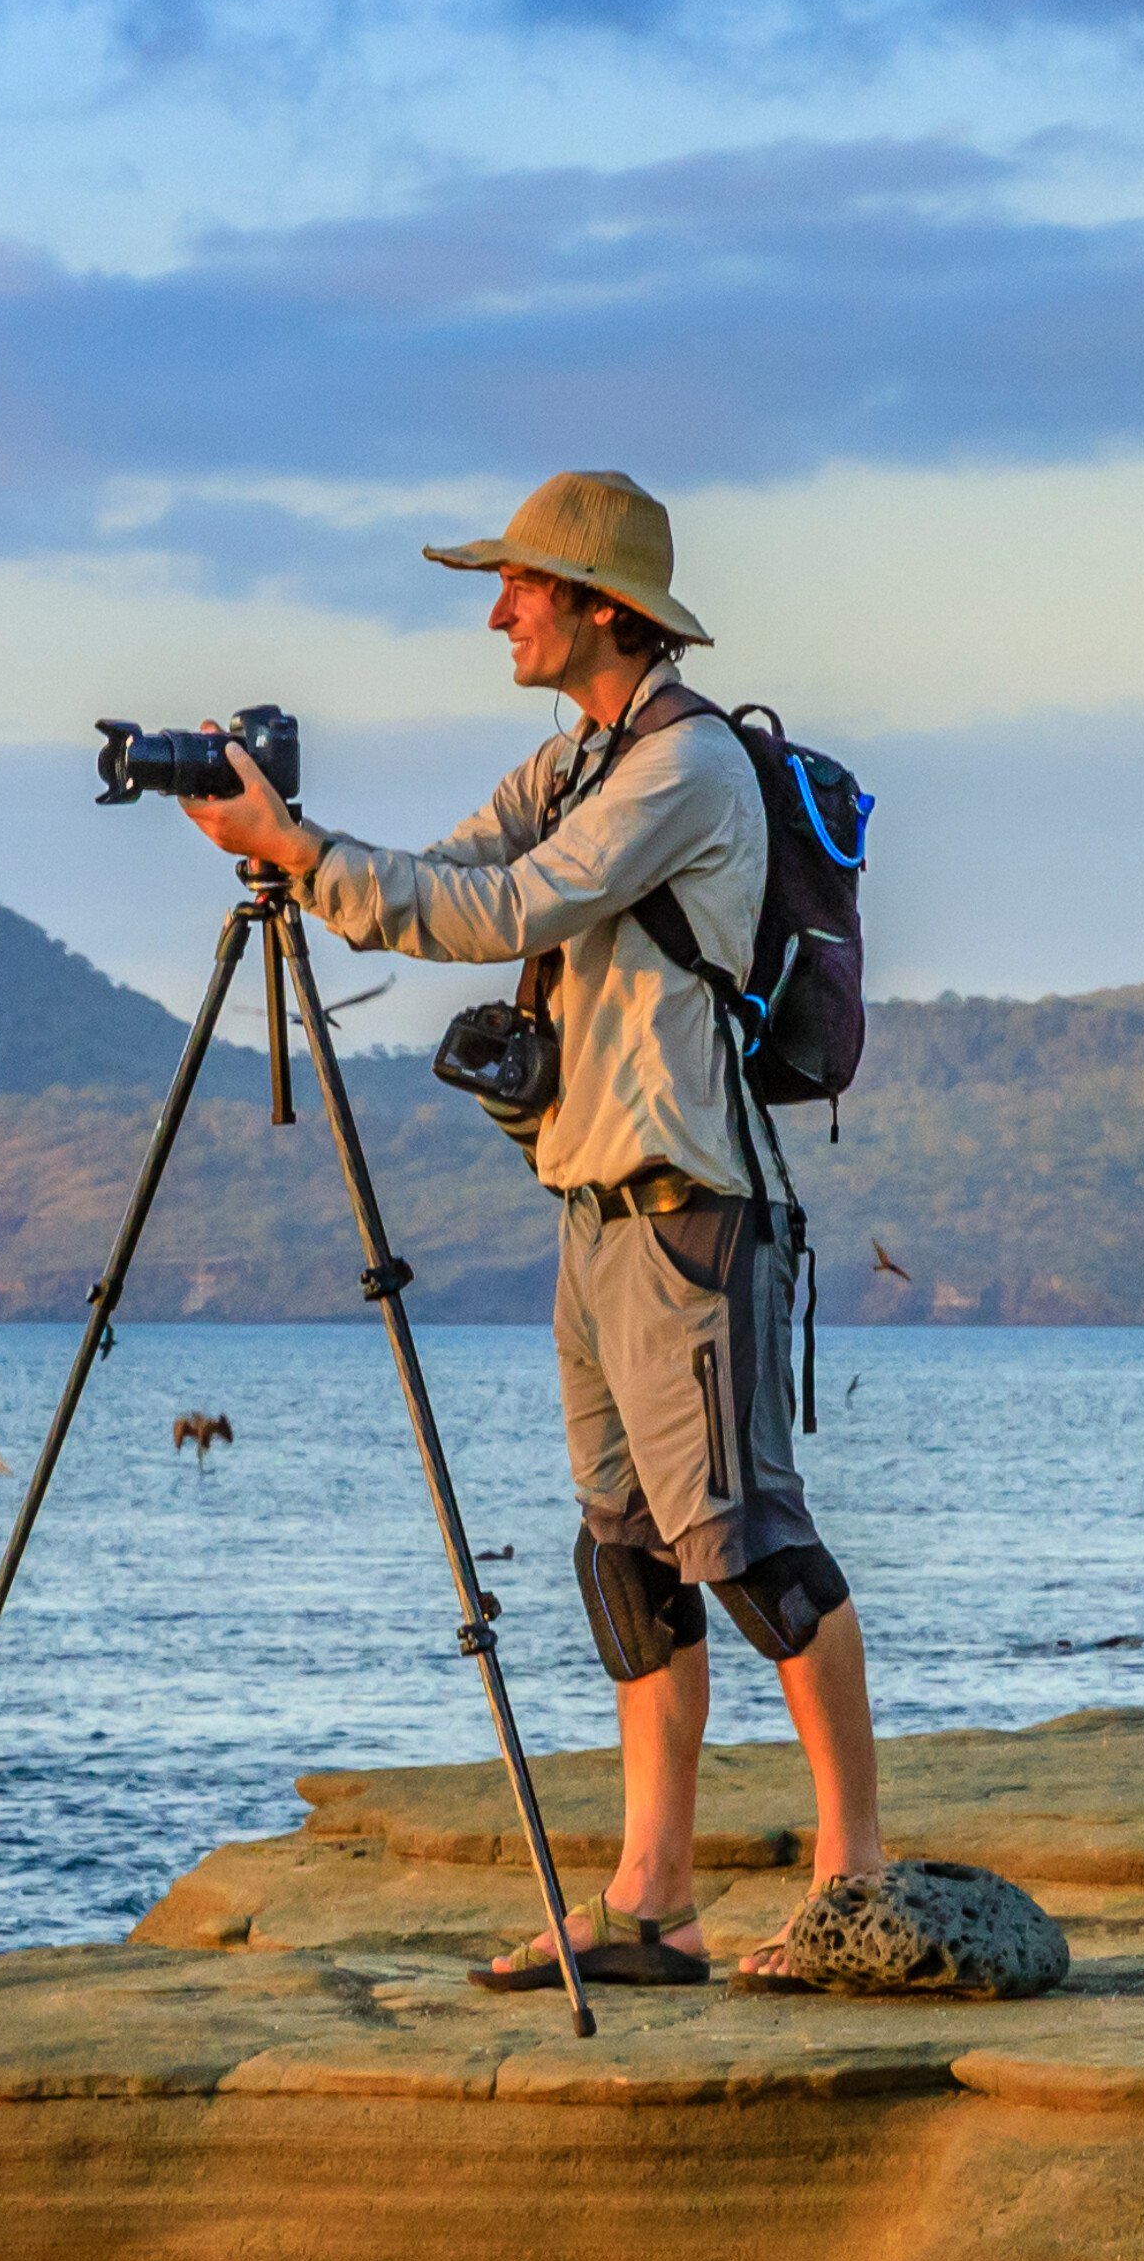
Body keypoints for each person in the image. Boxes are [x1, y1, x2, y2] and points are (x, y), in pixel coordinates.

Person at [181, 469, 880, 1992]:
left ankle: (852, 1874)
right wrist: (289, 834)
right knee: (626, 1556)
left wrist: (307, 859)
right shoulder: (577, 760)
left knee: (749, 1544)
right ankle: (656, 1904)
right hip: (592, 1203)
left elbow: (517, 915)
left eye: (520, 587)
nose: (497, 609)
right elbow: (453, 874)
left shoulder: (682, 770)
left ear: (596, 607)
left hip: (694, 1211)